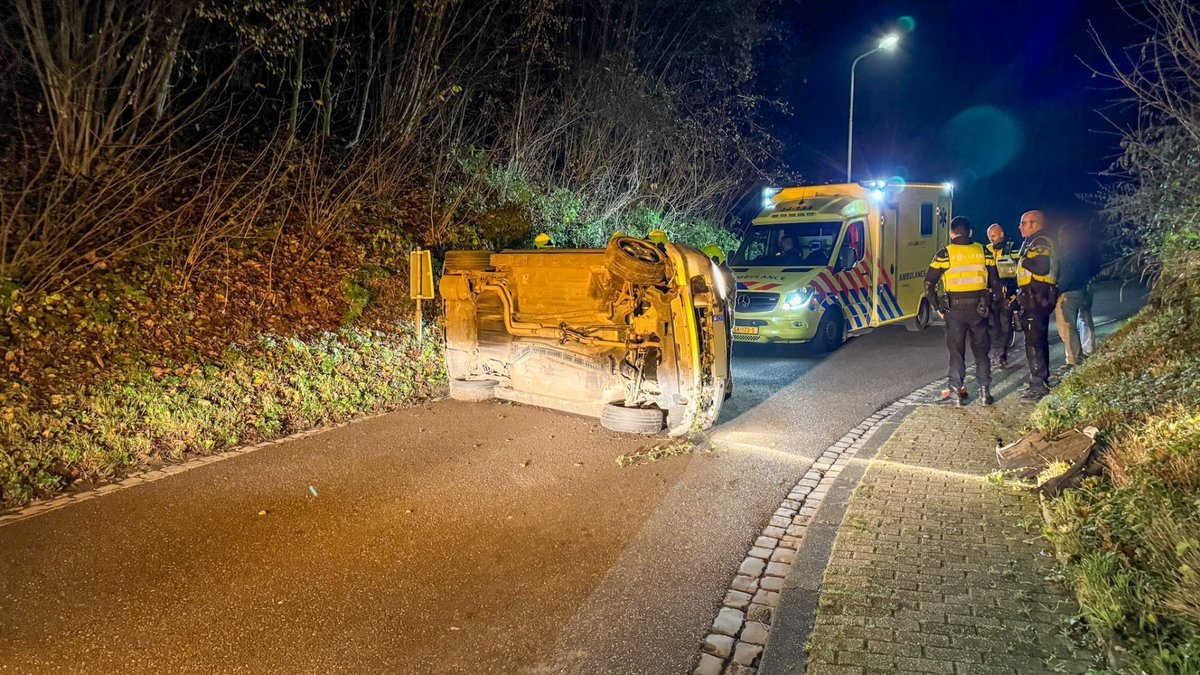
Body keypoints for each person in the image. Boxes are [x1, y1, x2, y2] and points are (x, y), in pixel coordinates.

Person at [924, 216, 1004, 406]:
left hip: (955, 310)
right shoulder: (983, 251)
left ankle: (956, 393)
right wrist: (991, 305)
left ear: (952, 233)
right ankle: (985, 394)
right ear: (970, 233)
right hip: (979, 309)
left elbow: (928, 284)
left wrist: (938, 307)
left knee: (956, 352)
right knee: (981, 352)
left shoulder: (944, 253)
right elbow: (995, 282)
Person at [1015, 210, 1058, 400]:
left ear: (1035, 224)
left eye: (1023, 223)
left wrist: (1022, 260)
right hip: (1035, 297)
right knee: (1037, 341)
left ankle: (1038, 385)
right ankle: (1039, 381)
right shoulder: (1035, 241)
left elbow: (1041, 267)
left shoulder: (1040, 241)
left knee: (1034, 343)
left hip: (1037, 297)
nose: (1020, 227)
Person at [1054, 224, 1101, 369]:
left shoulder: (1069, 253)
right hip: (1086, 288)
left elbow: (1067, 276)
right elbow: (1096, 267)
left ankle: (1073, 360)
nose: (1059, 239)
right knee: (1085, 318)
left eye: (1061, 236)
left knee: (1068, 326)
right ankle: (1089, 350)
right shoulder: (1086, 248)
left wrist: (1057, 290)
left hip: (1070, 292)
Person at [986, 223, 1019, 367]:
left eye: (993, 236)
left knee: (1006, 325)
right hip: (992, 293)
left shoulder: (1012, 247)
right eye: (989, 236)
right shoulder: (986, 249)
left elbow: (1019, 267)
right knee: (993, 326)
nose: (991, 239)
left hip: (1008, 292)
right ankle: (995, 354)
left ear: (1001, 234)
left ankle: (1001, 355)